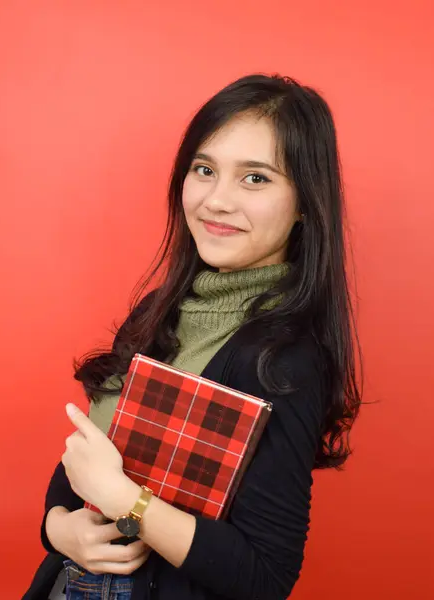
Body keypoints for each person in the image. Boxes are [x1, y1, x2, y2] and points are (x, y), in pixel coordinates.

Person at [21, 73, 362, 600]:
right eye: (204, 170)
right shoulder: (161, 312)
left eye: (255, 179)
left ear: (304, 204)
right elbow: (84, 471)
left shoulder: (281, 357)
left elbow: (266, 577)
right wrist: (59, 529)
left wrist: (126, 502)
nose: (216, 200)